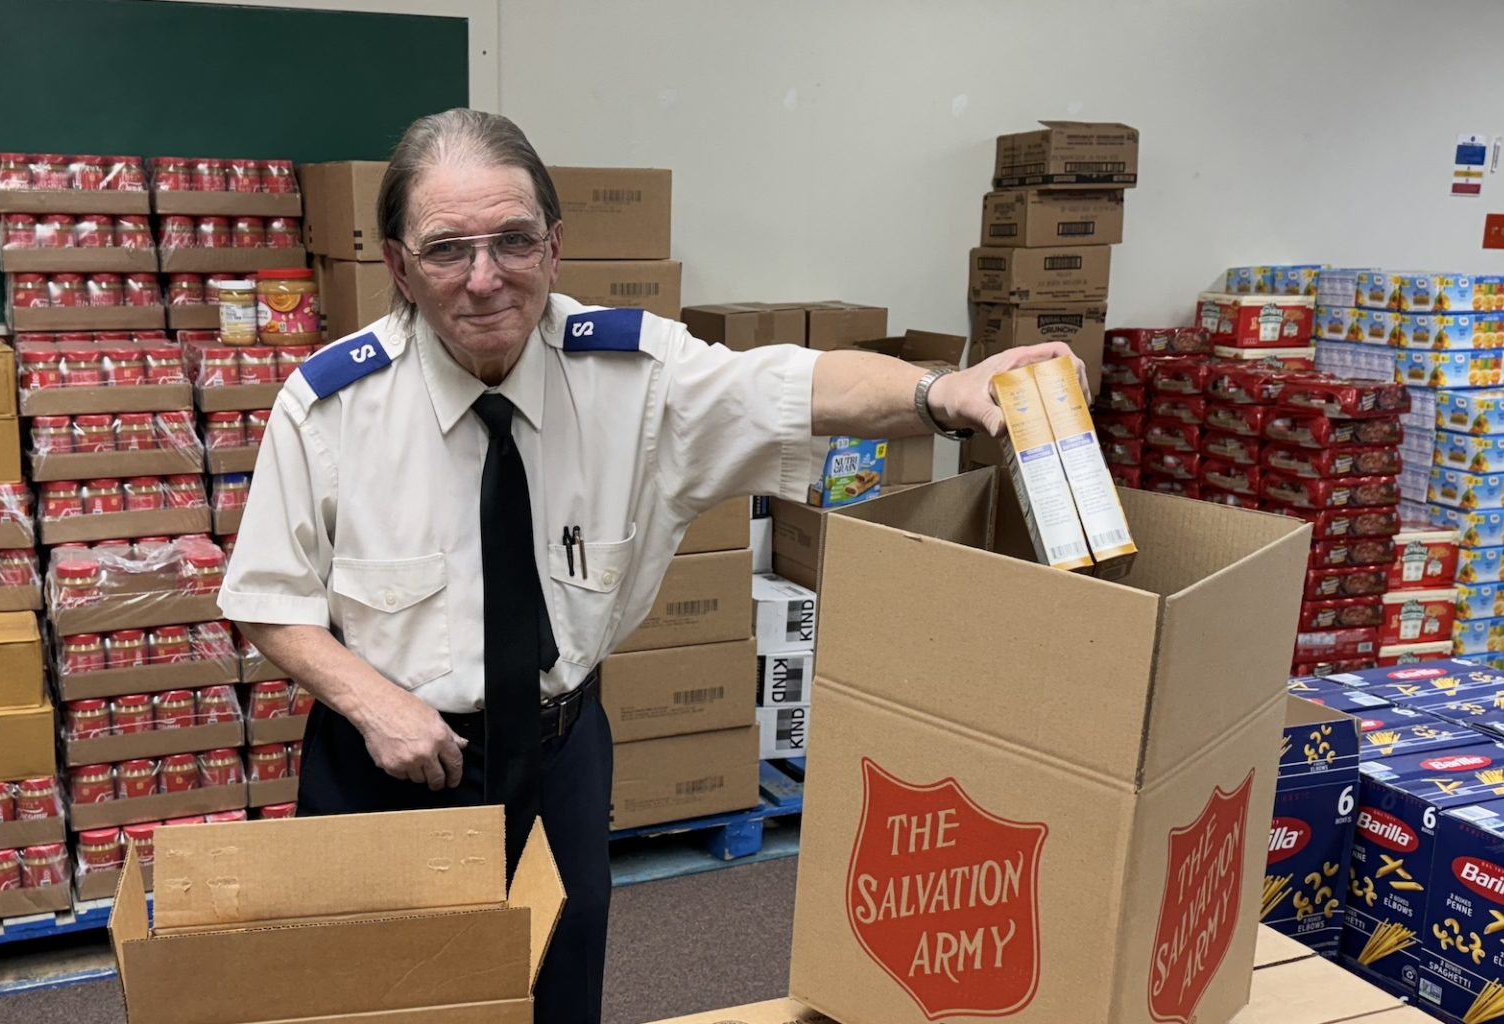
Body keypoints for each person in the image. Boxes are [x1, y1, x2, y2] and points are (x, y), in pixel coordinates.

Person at [217, 108, 1072, 1023]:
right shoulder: (330, 406)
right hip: (390, 768)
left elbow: (794, 386)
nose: (483, 278)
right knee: (378, 1004)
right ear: (396, 265)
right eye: (446, 250)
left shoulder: (636, 373)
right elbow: (269, 599)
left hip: (557, 758)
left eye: (512, 241)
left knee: (559, 990)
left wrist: (942, 393)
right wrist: (373, 702)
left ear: (554, 246)